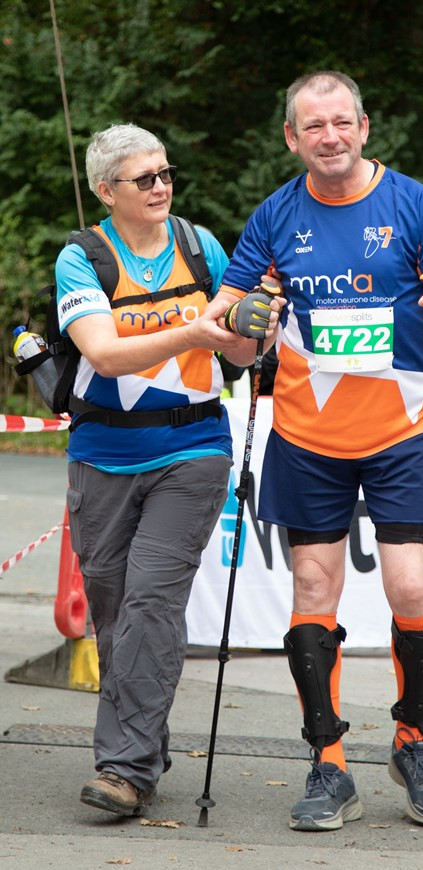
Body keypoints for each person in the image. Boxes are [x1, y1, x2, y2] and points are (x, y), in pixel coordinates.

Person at [219, 71, 423, 831]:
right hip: (308, 436)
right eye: (314, 126)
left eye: (341, 122)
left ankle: (412, 737)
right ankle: (327, 762)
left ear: (363, 127)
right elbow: (232, 337)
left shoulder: (413, 204)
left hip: (403, 430)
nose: (329, 136)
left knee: (410, 589)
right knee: (312, 588)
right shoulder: (275, 215)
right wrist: (244, 318)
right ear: (292, 137)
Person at [55, 123, 282, 817]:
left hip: (192, 450)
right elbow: (107, 353)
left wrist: (255, 328)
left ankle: (121, 769)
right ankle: (144, 751)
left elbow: (238, 358)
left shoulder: (198, 245)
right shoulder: (82, 257)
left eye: (165, 173)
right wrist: (195, 330)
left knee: (153, 599)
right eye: (143, 178)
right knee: (116, 611)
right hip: (102, 456)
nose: (160, 187)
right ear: (106, 190)